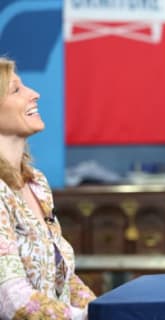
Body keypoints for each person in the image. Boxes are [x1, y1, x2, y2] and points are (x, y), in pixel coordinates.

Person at [0, 58, 95, 319]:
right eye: (16, 90)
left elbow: (63, 277)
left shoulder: (36, 183)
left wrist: (103, 310)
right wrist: (83, 317)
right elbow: (12, 299)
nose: (35, 93)